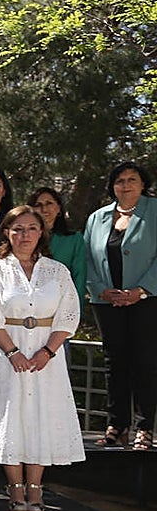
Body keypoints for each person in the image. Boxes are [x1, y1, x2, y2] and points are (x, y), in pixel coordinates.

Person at [0, 205, 84, 511]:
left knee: (41, 416)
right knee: (10, 417)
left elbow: (69, 314)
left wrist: (48, 351)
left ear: (41, 233)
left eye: (31, 228)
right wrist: (12, 352)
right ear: (7, 233)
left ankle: (35, 488)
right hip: (5, 354)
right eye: (18, 229)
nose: (25, 235)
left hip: (46, 356)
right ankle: (15, 487)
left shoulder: (57, 271)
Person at [85, 161, 157, 449]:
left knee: (145, 362)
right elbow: (88, 258)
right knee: (114, 363)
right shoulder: (97, 217)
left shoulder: (154, 210)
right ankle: (117, 425)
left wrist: (141, 290)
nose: (126, 185)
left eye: (132, 179)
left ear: (143, 183)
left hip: (147, 300)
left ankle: (145, 427)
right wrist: (101, 290)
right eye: (120, 180)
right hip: (107, 302)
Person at [28, 187, 86, 301]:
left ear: (58, 208)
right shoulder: (23, 238)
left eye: (49, 203)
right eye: (38, 205)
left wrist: (76, 307)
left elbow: (79, 277)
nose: (44, 209)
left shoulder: (74, 239)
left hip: (63, 302)